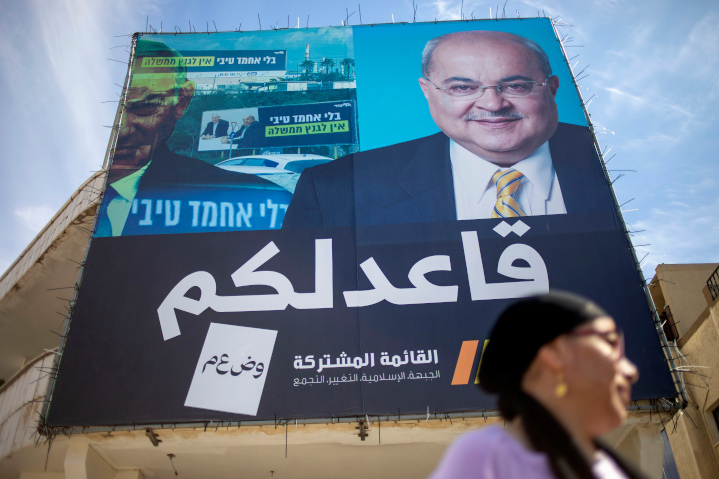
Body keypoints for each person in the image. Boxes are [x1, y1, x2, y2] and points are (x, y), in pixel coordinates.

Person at [282, 31, 613, 228]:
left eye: (515, 85)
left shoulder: (612, 165)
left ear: (551, 88)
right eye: (462, 88)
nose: (494, 104)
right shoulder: (333, 192)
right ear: (427, 91)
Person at [429, 291, 648, 479]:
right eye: (610, 342)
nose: (632, 371)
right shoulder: (486, 456)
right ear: (555, 352)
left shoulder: (611, 468)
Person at [96, 40, 278, 237]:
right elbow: (211, 134)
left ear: (182, 101)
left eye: (144, 106)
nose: (122, 130)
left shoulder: (252, 198)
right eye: (123, 108)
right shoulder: (94, 208)